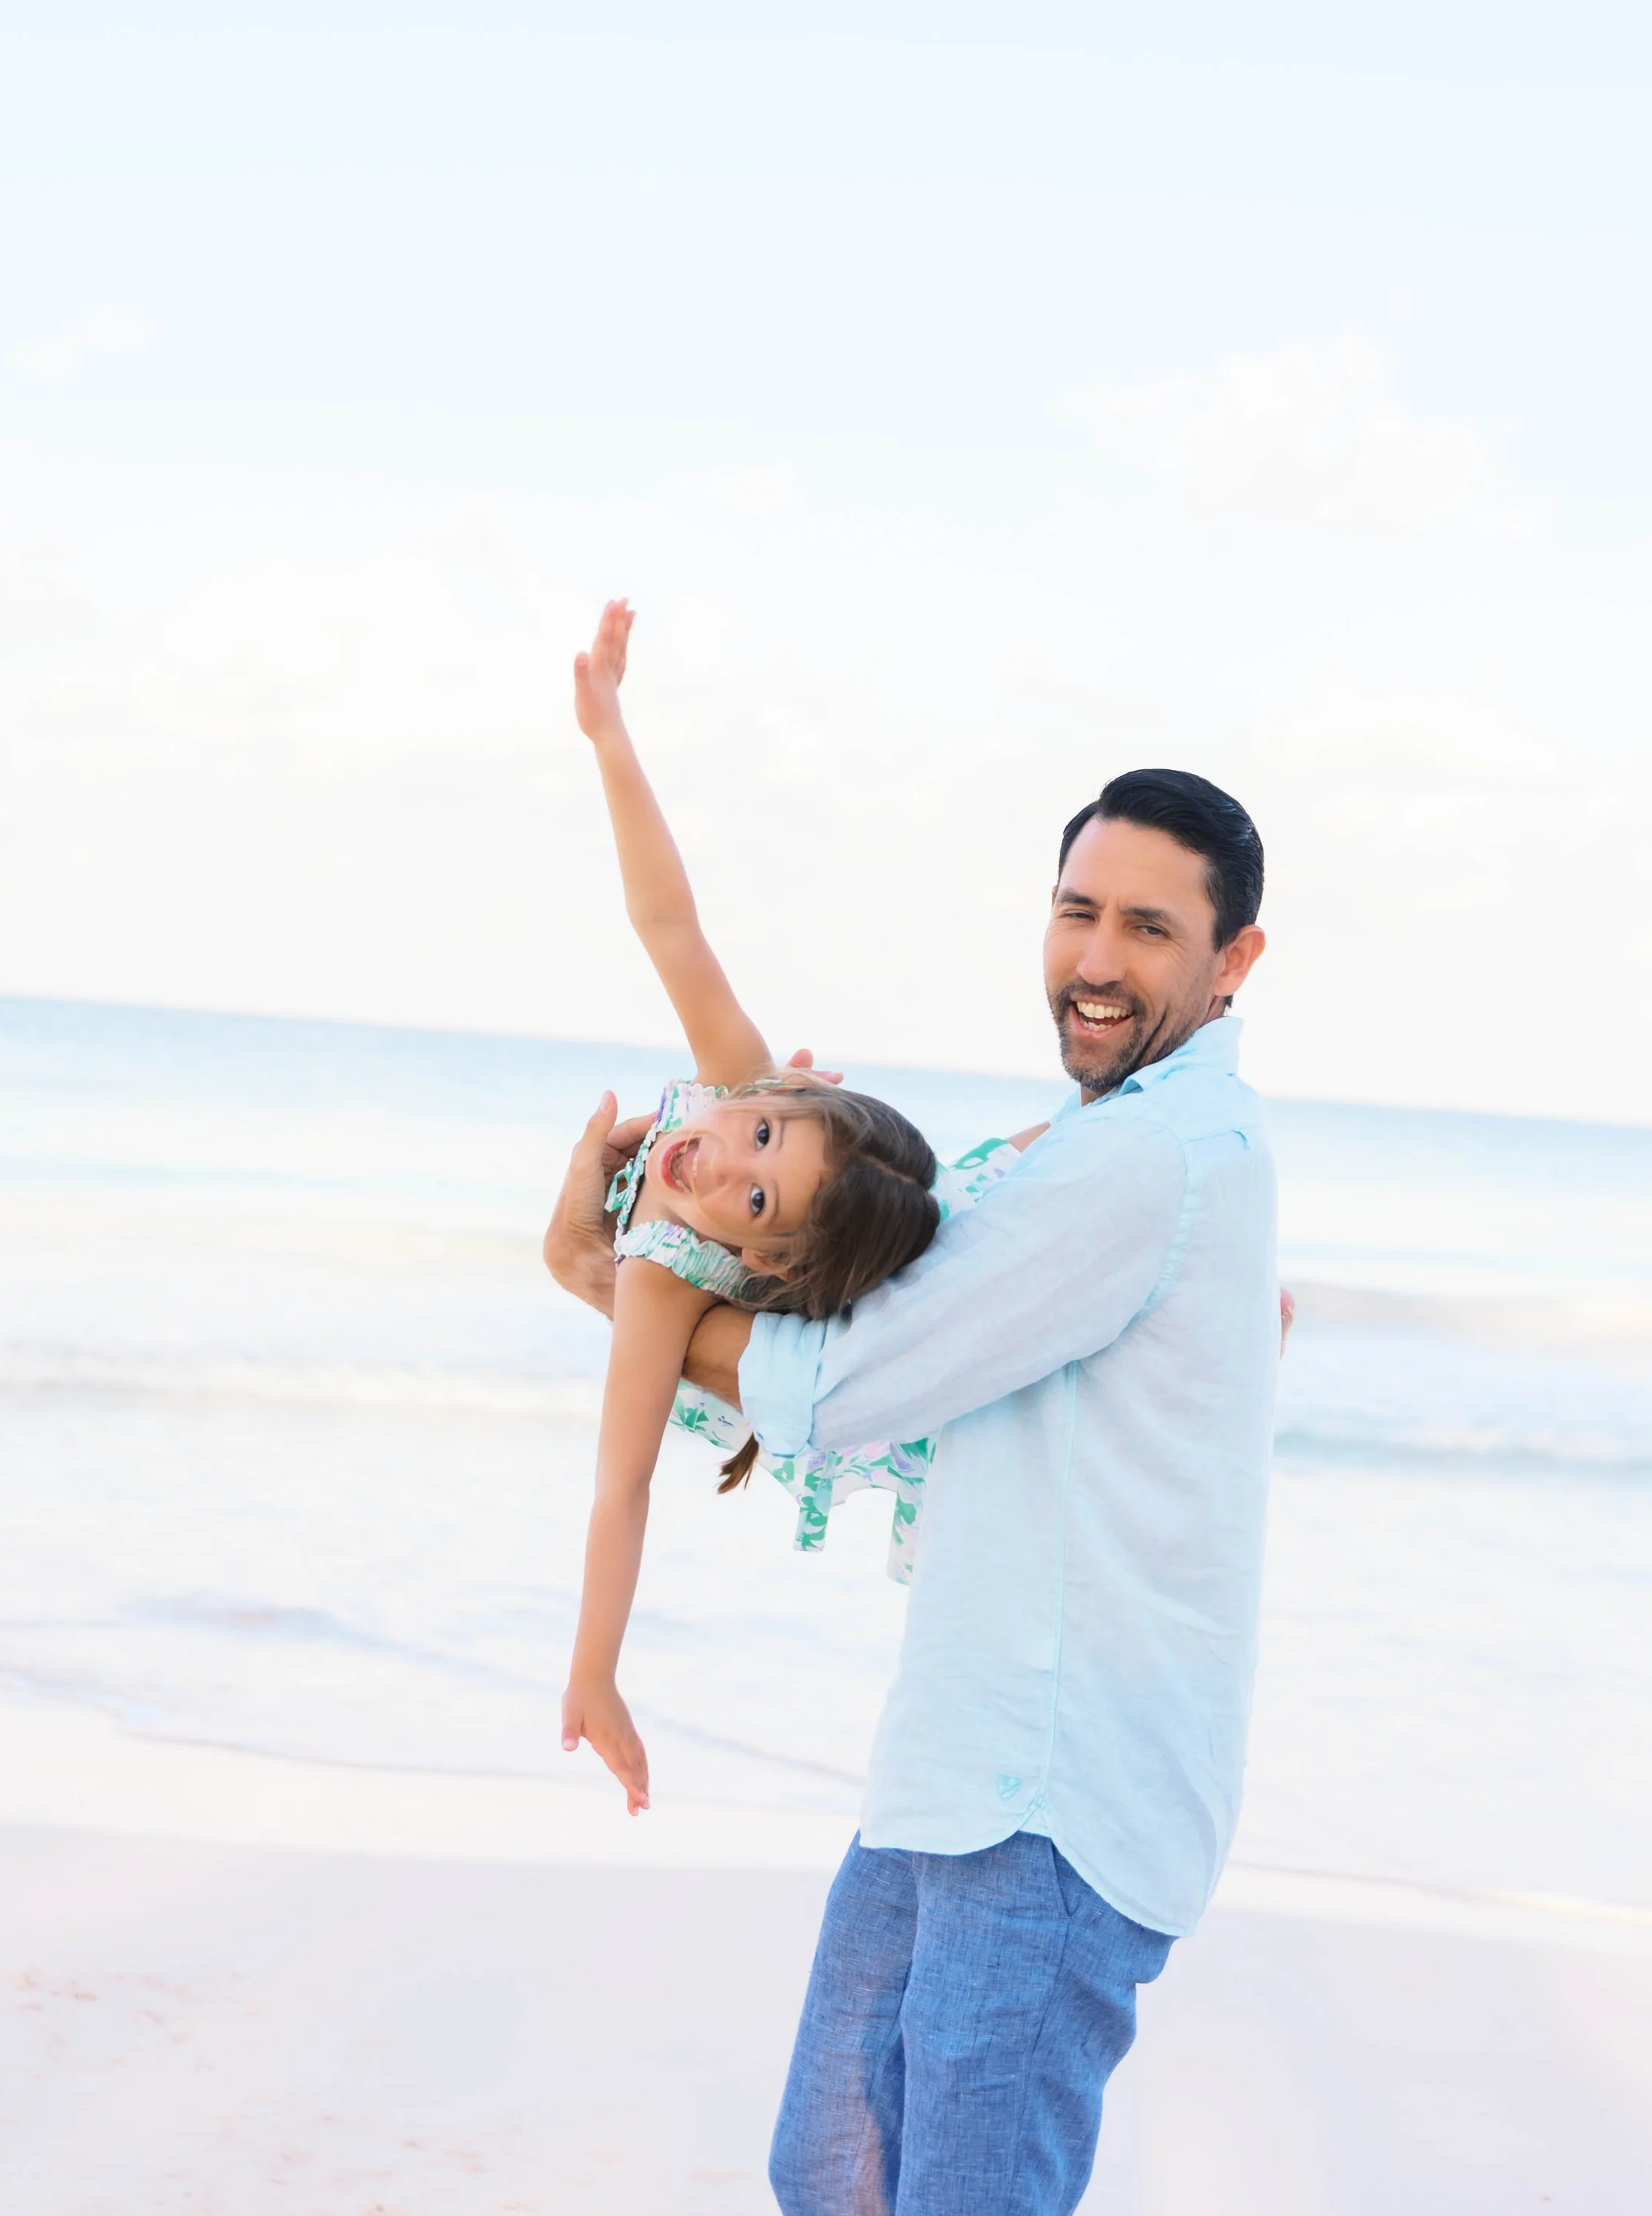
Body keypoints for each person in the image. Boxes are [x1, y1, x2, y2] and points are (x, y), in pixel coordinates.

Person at [545, 756, 1281, 2216]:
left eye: (1149, 928)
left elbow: (841, 1390)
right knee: (829, 2168)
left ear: (1233, 959)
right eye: (1079, 912)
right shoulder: (1092, 1152)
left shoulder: (1148, 1159)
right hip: (963, 1761)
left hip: (1058, 1798)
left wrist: (616, 1283)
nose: (1096, 959)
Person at [561, 599, 960, 1815]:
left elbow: (621, 1484)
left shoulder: (666, 1276)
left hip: (836, 1394)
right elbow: (666, 920)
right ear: (782, 1088)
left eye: (754, 1194)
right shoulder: (735, 1080)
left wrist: (595, 1672)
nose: (720, 1157)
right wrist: (610, 734)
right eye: (767, 1133)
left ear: (763, 1259)